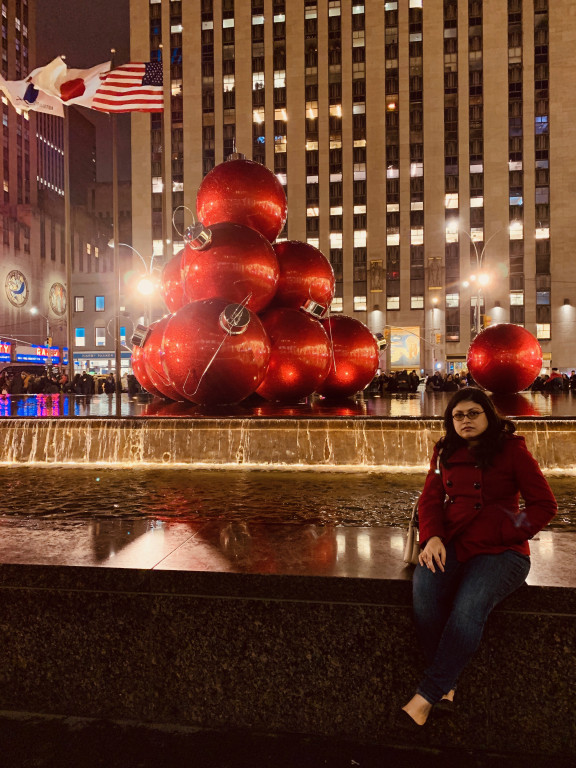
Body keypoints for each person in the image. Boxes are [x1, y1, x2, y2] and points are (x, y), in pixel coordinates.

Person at [401, 388, 557, 727]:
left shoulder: (511, 449)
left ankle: (425, 697)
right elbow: (430, 498)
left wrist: (507, 530)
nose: (465, 420)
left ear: (488, 415)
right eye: (458, 416)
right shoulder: (445, 450)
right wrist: (432, 537)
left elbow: (545, 505)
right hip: (452, 543)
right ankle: (446, 685)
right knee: (424, 594)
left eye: (473, 413)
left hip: (503, 551)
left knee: (468, 608)